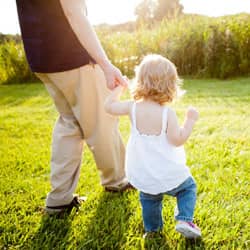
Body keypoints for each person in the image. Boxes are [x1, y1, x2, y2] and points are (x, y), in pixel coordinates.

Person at [15, 0, 132, 215]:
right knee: (101, 121)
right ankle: (117, 180)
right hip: (71, 55)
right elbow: (73, 11)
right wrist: (105, 64)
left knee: (70, 123)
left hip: (41, 58)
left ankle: (59, 200)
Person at [104, 54, 201, 239]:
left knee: (149, 198)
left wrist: (119, 88)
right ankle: (184, 218)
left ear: (139, 81)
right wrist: (190, 121)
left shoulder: (131, 107)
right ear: (170, 85)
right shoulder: (167, 113)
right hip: (167, 170)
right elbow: (177, 140)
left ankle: (152, 231)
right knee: (187, 188)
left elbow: (108, 106)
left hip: (143, 170)